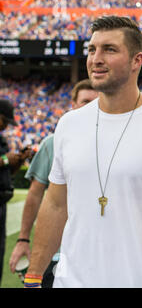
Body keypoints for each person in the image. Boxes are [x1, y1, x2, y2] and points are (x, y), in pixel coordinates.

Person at [24, 15, 142, 288]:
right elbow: (55, 204)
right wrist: (33, 277)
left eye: (109, 49)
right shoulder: (69, 124)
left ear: (137, 60)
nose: (96, 59)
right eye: (92, 49)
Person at [8, 79, 98, 288]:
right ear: (73, 105)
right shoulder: (53, 142)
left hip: (100, 251)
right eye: (85, 101)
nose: (90, 108)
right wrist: (23, 239)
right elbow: (35, 194)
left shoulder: (116, 144)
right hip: (58, 251)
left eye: (96, 102)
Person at [0, 99, 32, 285]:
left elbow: (6, 171)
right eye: (4, 120)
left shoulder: (2, 139)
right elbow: (3, 162)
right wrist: (5, 160)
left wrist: (18, 160)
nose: (5, 126)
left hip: (3, 202)